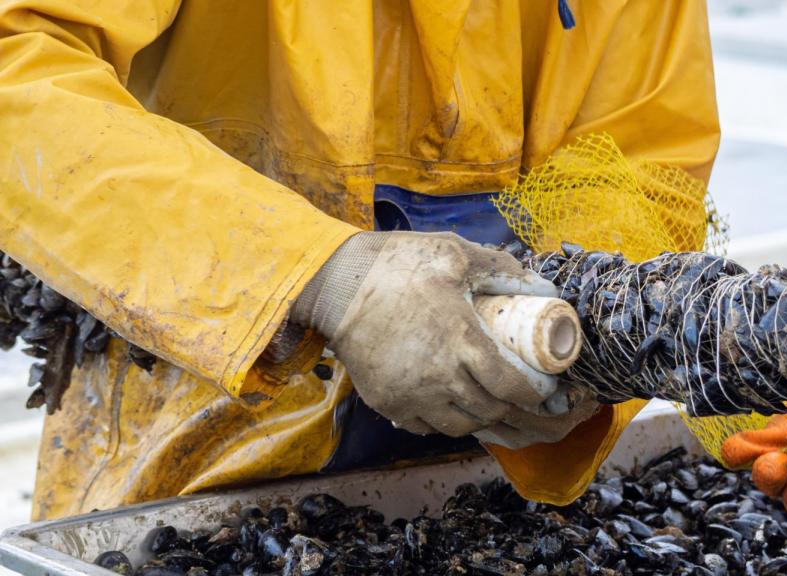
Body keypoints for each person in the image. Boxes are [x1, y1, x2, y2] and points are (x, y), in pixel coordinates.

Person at [0, 0, 719, 520]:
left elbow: (643, 155)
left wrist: (578, 366)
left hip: (508, 470)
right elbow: (17, 67)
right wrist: (322, 275)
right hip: (194, 435)